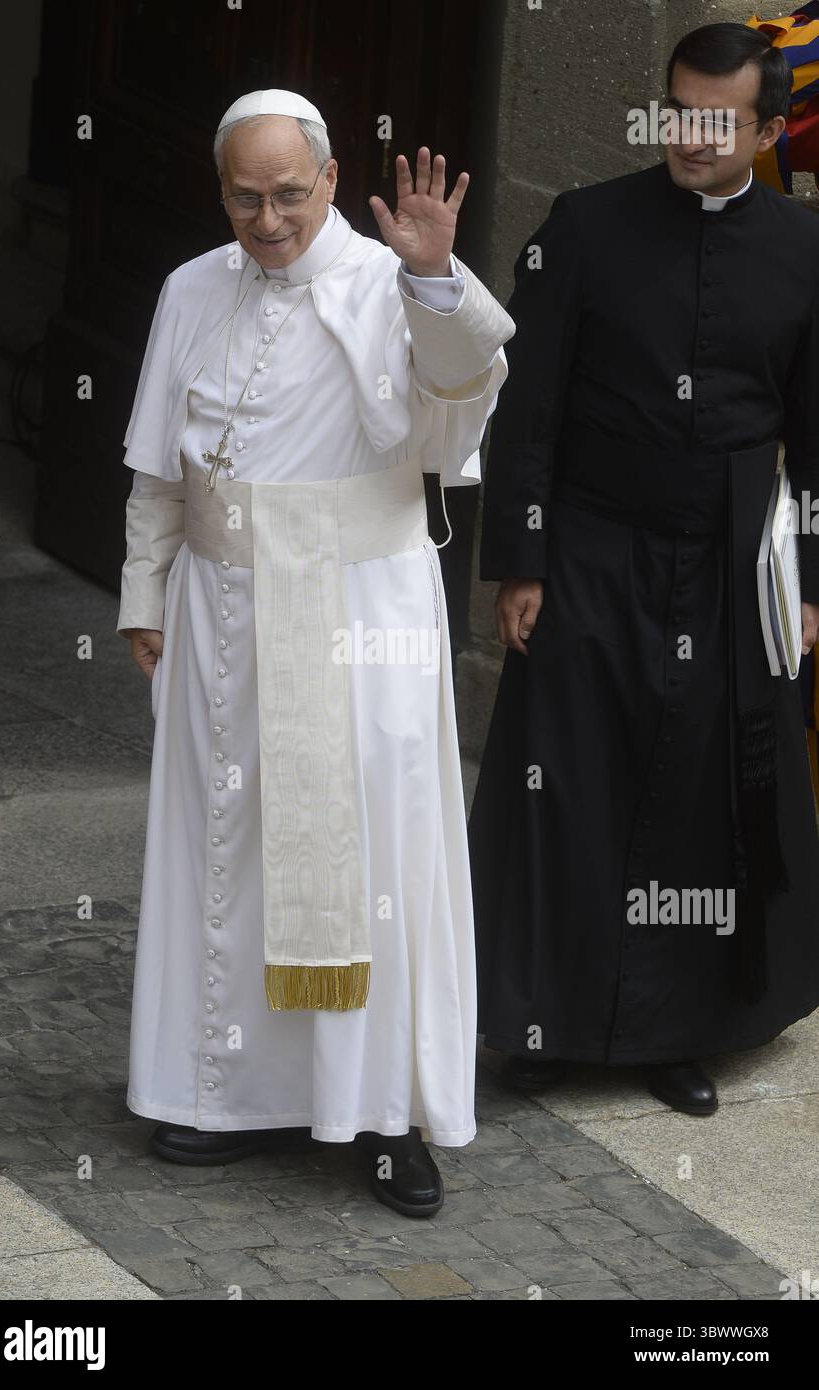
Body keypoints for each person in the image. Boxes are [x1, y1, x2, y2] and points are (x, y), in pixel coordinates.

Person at [116, 88, 514, 1216]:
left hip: (358, 616)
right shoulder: (191, 286)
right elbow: (159, 470)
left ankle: (384, 1119)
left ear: (332, 180)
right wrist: (145, 594)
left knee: (370, 861)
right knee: (221, 849)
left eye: (290, 192)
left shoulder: (394, 283)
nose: (269, 217)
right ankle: (217, 1090)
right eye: (245, 196)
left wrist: (436, 279)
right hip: (220, 610)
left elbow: (450, 422)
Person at [469, 23, 819, 1116]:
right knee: (565, 782)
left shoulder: (804, 252)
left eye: (719, 120)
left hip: (731, 557)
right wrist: (519, 559)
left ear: (767, 131)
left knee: (700, 799)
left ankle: (679, 1031)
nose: (692, 137)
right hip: (590, 543)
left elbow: (813, 436)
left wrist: (807, 584)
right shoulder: (586, 226)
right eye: (679, 111)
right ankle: (540, 1019)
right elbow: (525, 406)